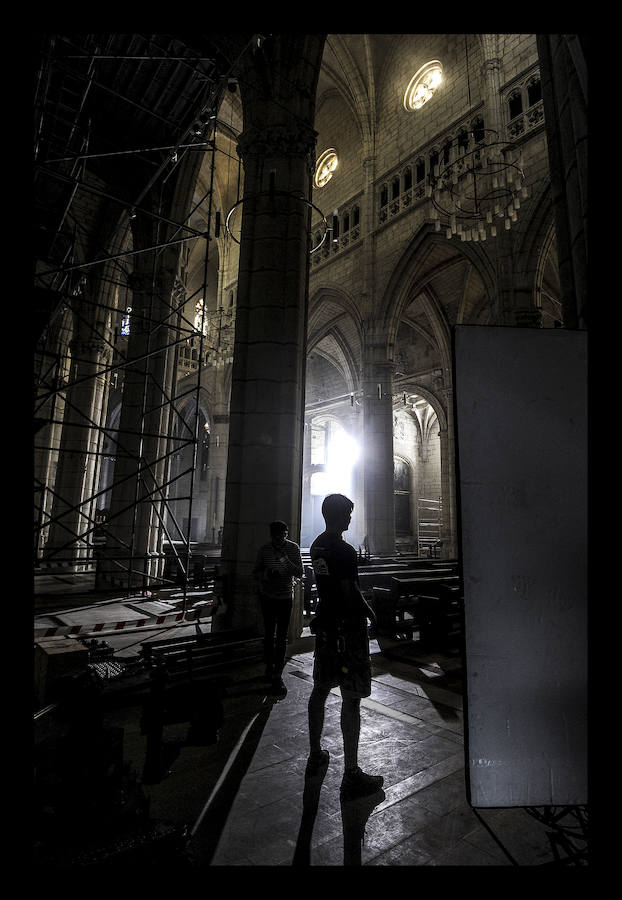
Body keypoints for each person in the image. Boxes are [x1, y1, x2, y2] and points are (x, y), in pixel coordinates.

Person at [307, 493, 384, 799]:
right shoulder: (344, 550)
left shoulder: (317, 545)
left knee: (320, 689)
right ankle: (351, 773)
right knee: (351, 698)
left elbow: (322, 585)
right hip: (347, 631)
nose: (351, 519)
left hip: (325, 627)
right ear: (339, 516)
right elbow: (349, 589)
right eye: (349, 514)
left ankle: (315, 753)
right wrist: (370, 611)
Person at [252, 521, 303, 694]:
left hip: (285, 597)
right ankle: (268, 666)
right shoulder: (264, 550)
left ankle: (277, 673)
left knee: (281, 637)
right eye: (277, 535)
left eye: (283, 535)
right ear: (272, 535)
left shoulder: (293, 549)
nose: (280, 538)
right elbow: (255, 572)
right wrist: (267, 574)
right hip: (267, 596)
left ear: (286, 534)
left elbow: (299, 572)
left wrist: (284, 559)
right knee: (268, 634)